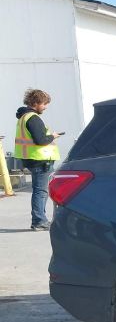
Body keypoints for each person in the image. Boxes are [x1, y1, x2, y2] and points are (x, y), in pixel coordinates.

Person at [14, 89, 63, 230]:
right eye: (44, 103)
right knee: (40, 192)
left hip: (32, 159)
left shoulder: (23, 117)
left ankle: (39, 219)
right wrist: (53, 136)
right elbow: (41, 140)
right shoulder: (33, 118)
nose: (46, 107)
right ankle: (39, 221)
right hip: (40, 160)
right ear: (35, 103)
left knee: (39, 191)